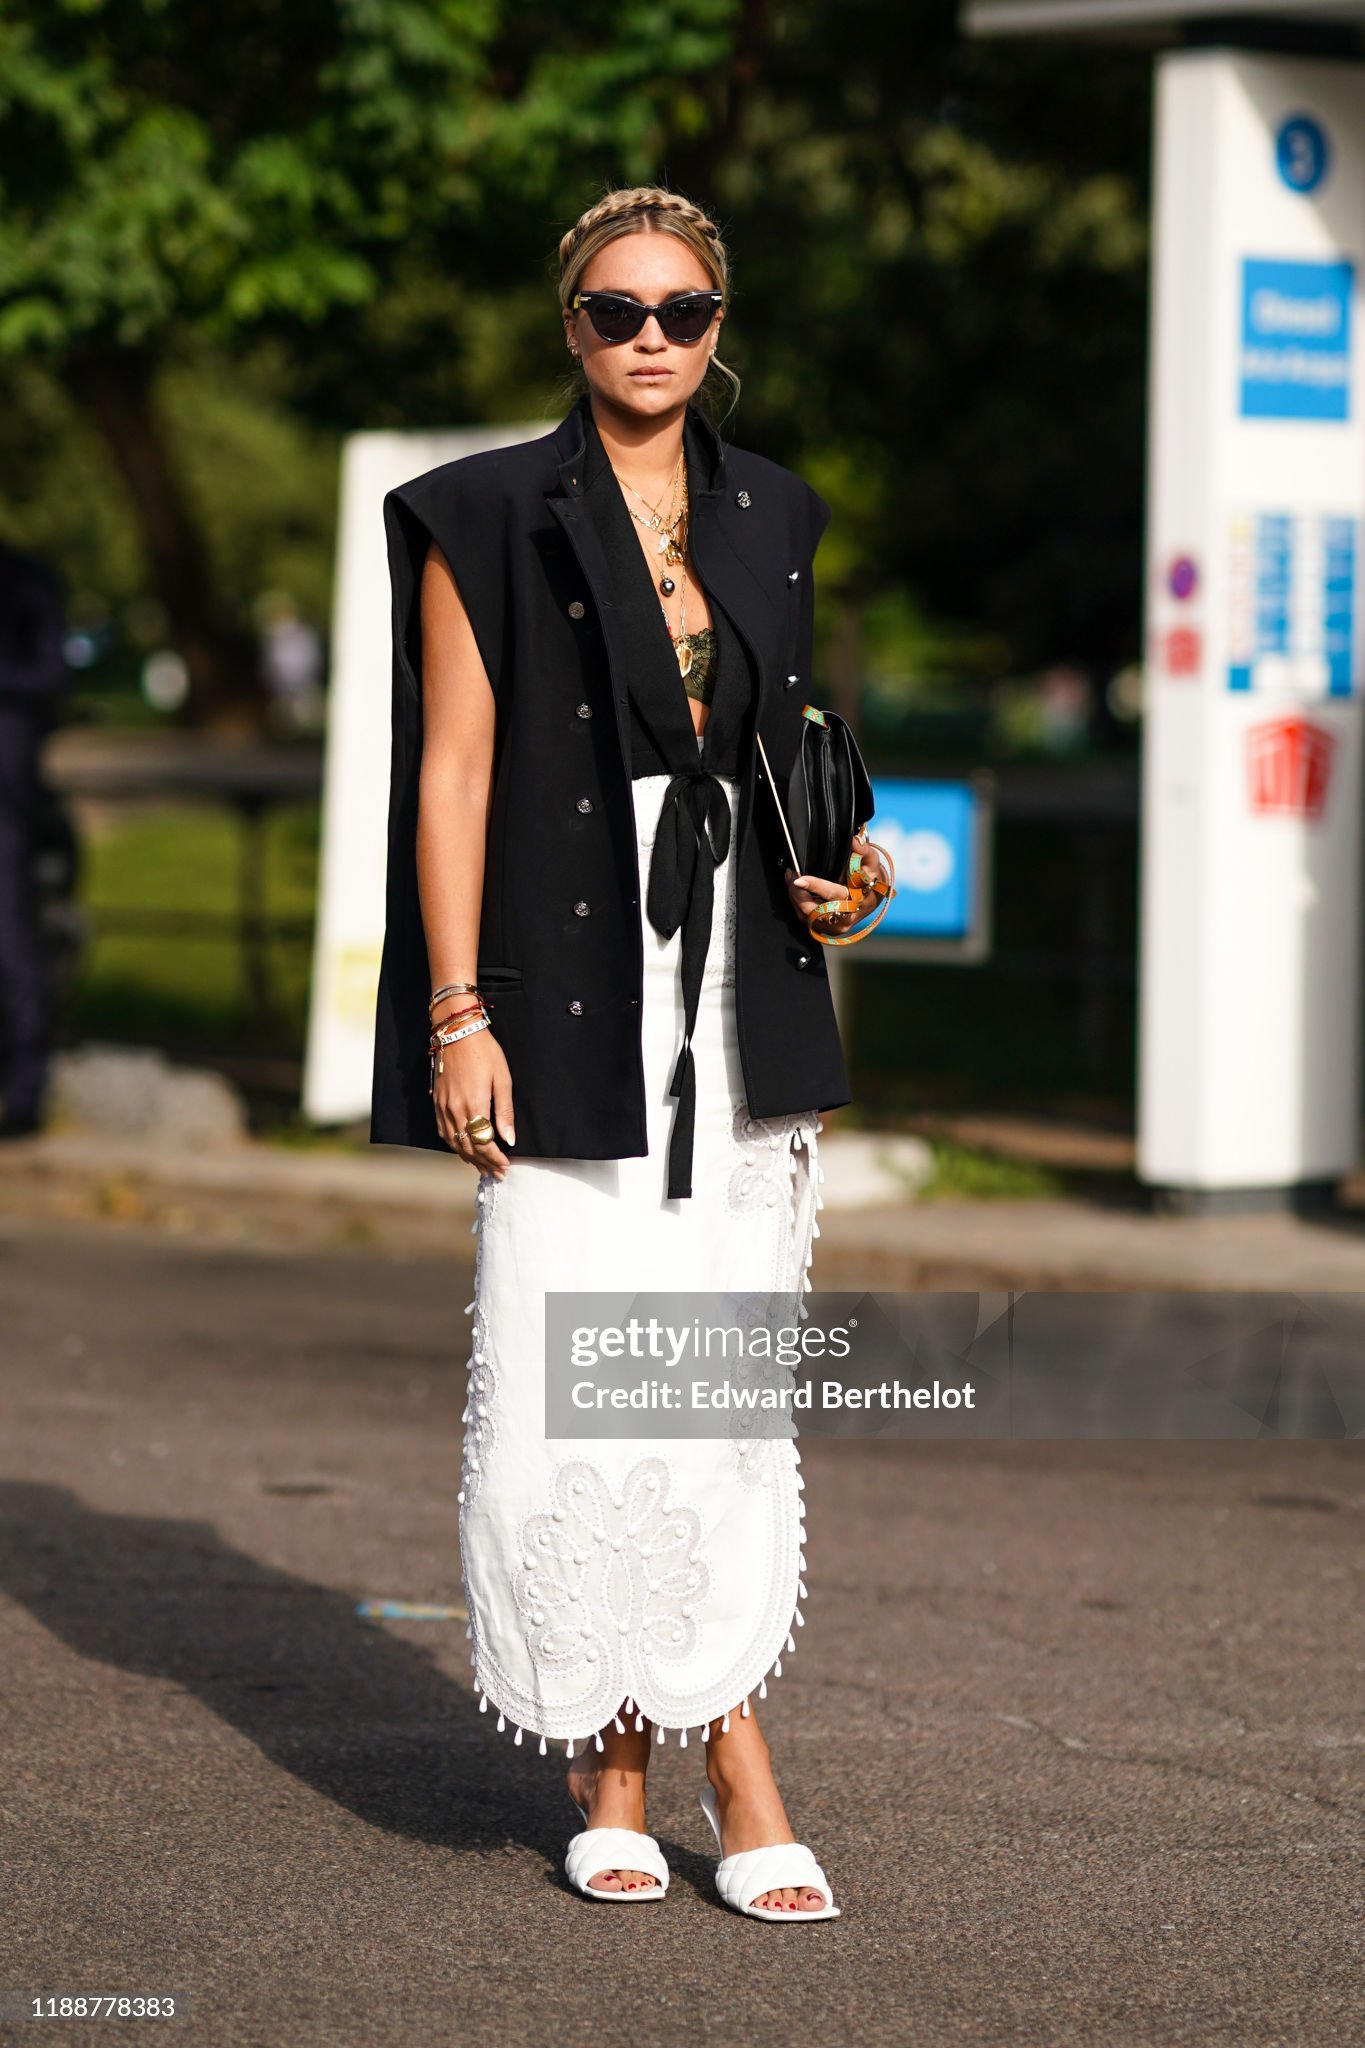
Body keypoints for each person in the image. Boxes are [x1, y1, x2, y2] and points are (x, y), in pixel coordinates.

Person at [372, 185, 866, 1919]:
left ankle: (718, 1758)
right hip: (570, 979)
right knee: (566, 1369)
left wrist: (847, 872)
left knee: (710, 1391)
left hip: (739, 984)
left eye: (682, 310)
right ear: (568, 323)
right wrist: (459, 1014)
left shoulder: (776, 509)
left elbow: (790, 746)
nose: (650, 336)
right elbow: (453, 771)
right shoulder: (485, 510)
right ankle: (629, 1758)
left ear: (721, 326)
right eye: (614, 309)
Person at [0, 541, 68, 1139]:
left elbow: (50, 673)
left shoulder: (25, 579)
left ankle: (24, 1091)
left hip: (6, 790)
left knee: (11, 934)